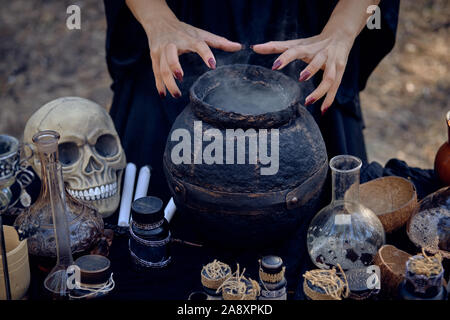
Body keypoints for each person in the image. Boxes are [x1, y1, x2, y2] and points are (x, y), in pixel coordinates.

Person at [104, 0, 399, 203]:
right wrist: (157, 19)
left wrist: (342, 30)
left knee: (332, 216)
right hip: (180, 29)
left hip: (310, 31)